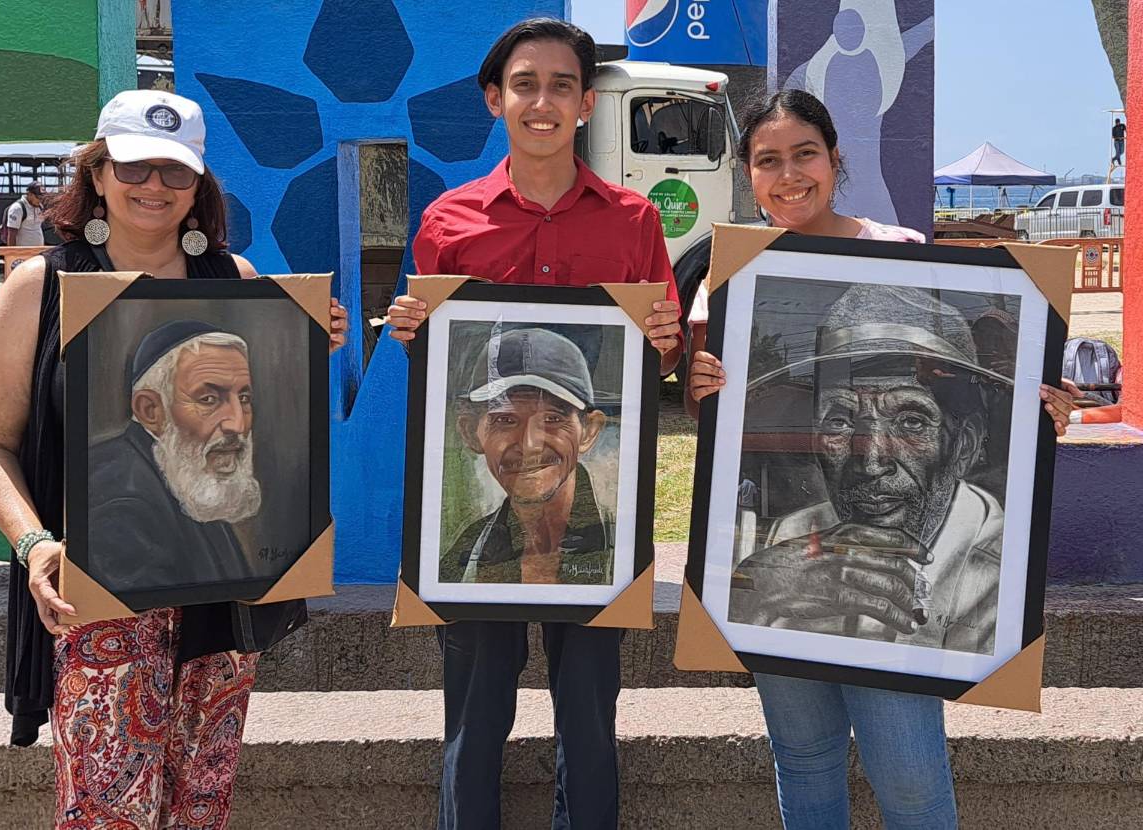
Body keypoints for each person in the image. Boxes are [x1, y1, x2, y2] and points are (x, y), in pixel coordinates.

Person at [684, 89, 1079, 830]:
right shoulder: (734, 272)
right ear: (748, 173)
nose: (789, 175)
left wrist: (1040, 402)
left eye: (806, 154)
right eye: (768, 160)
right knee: (803, 759)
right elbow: (721, 413)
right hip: (781, 580)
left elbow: (999, 382)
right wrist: (697, 383)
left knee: (909, 774)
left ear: (835, 160)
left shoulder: (897, 249)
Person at [0, 89, 347, 828]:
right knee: (105, 812)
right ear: (98, 173)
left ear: (198, 186)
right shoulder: (39, 287)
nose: (154, 186)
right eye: (134, 167)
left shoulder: (237, 282)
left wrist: (303, 345)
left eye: (175, 172)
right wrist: (34, 545)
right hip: (96, 605)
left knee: (200, 808)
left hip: (220, 606)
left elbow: (260, 437)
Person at [386, 18, 682, 829]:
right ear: (495, 99)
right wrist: (415, 333)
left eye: (561, 86)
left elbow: (657, 360)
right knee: (473, 719)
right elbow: (441, 368)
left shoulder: (633, 221)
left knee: (589, 721)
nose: (541, 102)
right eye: (524, 85)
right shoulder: (449, 220)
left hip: (600, 551)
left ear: (586, 103)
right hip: (472, 569)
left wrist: (664, 341)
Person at [728, 284, 1009, 655]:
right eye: (840, 421)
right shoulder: (793, 533)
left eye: (911, 422)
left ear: (964, 445)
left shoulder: (1002, 570)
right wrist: (749, 593)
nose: (871, 462)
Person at [88, 321, 262, 593]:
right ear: (150, 410)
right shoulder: (119, 501)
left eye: (244, 398)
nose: (237, 424)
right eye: (208, 399)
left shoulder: (191, 481)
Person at [442, 327, 613, 586]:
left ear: (589, 431)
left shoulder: (622, 544)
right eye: (505, 420)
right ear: (470, 433)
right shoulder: (463, 554)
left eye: (552, 419)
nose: (529, 444)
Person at [3, 180, 47, 246]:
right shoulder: (17, 208)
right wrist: (12, 252)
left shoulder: (39, 206)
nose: (40, 200)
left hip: (39, 250)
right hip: (23, 251)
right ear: (29, 194)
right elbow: (11, 235)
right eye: (38, 197)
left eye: (42, 198)